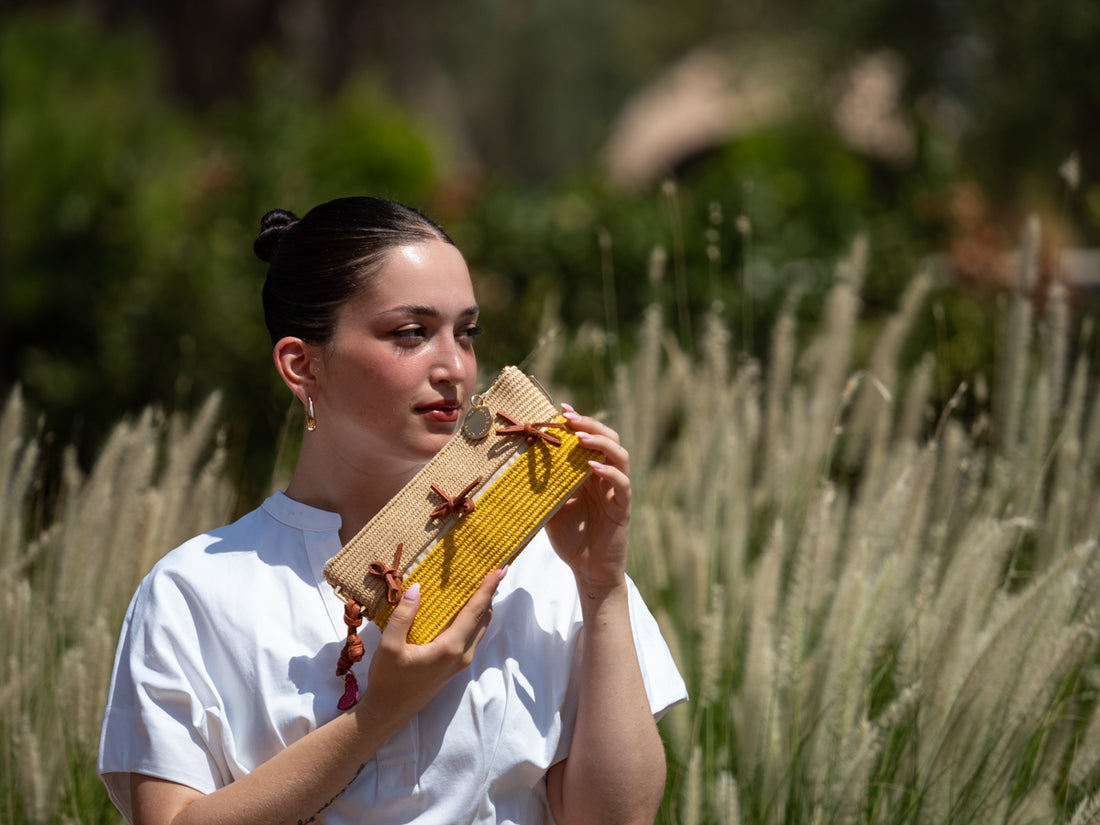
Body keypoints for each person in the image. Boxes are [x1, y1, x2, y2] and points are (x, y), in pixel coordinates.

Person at [98, 196, 687, 825]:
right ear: (303, 365)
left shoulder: (551, 568)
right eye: (410, 333)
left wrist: (602, 590)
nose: (454, 367)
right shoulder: (196, 591)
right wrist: (379, 713)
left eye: (467, 333)